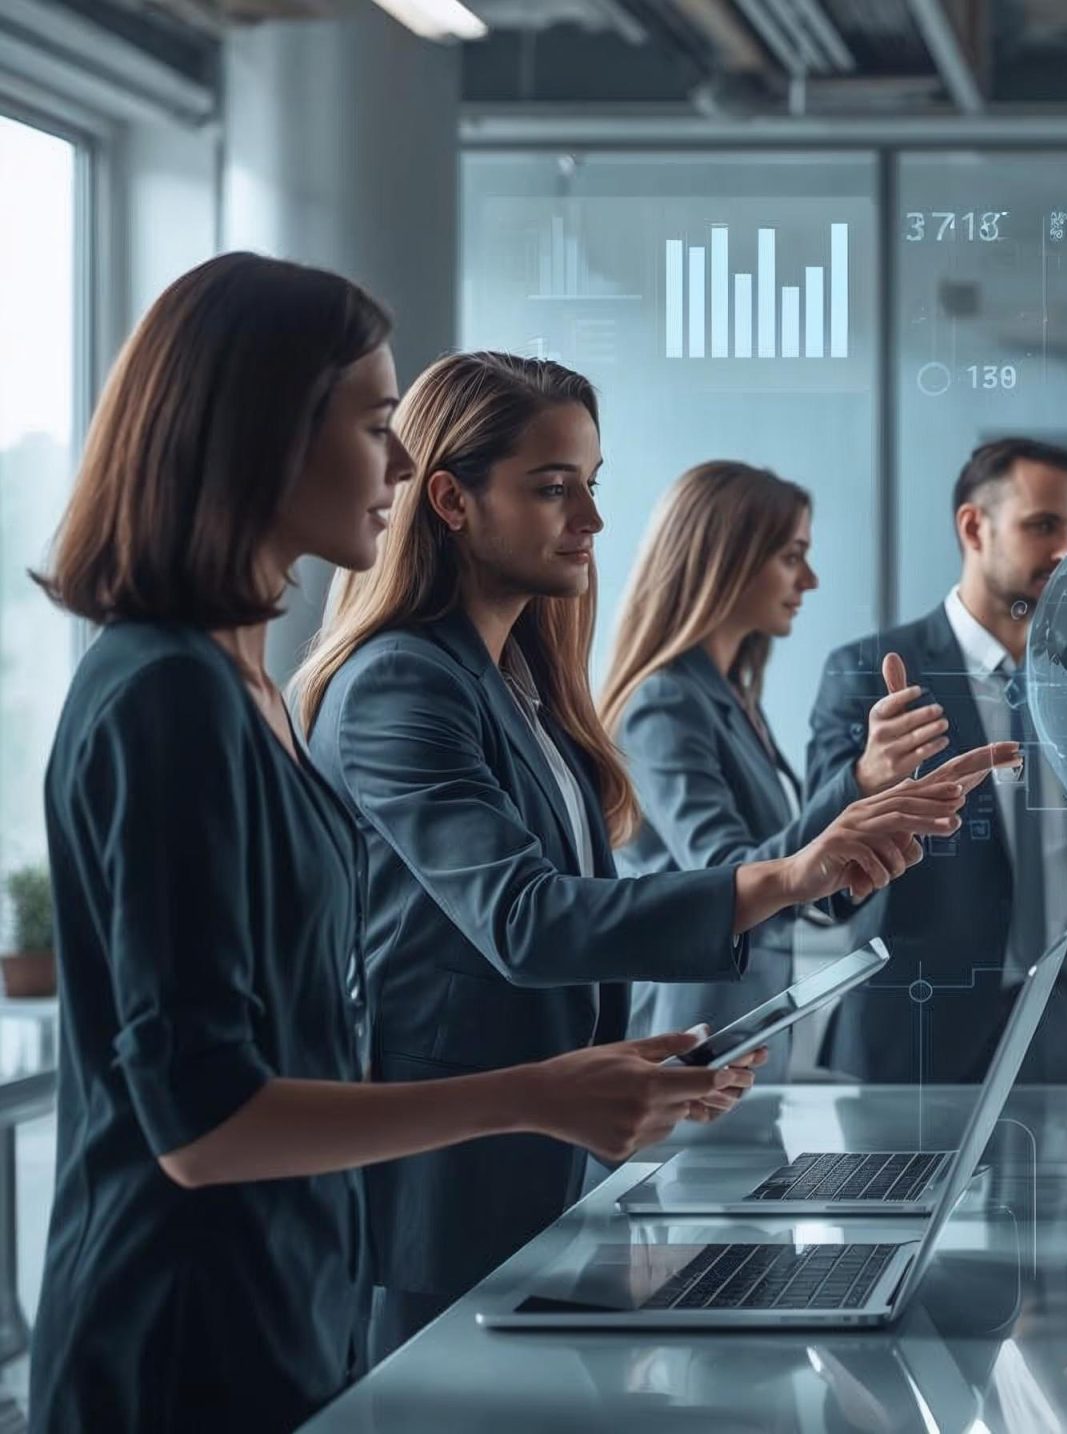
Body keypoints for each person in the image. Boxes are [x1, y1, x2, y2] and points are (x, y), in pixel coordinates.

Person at [25, 254, 766, 1432]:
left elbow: (321, 1022)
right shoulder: (162, 694)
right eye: (376, 425)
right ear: (258, 433)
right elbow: (204, 1123)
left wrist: (589, 1087)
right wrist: (534, 1095)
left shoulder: (239, 685)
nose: (406, 465)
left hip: (285, 1296)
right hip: (178, 1336)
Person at [294, 352, 1006, 1357]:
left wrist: (643, 1059)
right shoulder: (398, 685)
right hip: (445, 1196)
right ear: (449, 500)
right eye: (553, 490)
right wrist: (795, 870)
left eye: (591, 485)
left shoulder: (519, 685)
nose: (589, 521)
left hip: (545, 1167)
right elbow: (525, 921)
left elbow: (569, 928)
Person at [807, 437, 1067, 1084]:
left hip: (1062, 1027)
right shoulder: (868, 673)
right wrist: (867, 782)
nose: (1066, 550)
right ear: (973, 527)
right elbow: (816, 870)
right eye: (1042, 526)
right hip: (915, 1038)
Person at [601, 460, 864, 1074]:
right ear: (728, 561)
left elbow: (779, 872)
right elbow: (725, 876)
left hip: (740, 1032)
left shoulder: (731, 699)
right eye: (792, 556)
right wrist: (858, 786)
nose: (811, 580)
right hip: (691, 1037)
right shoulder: (665, 702)